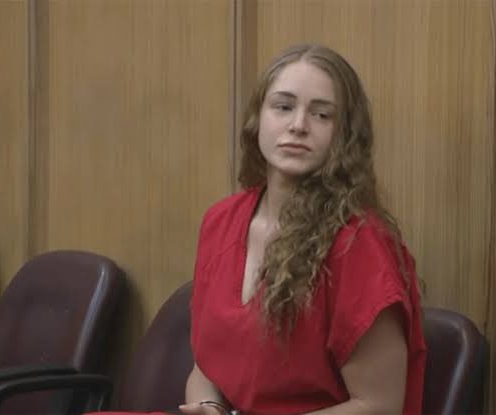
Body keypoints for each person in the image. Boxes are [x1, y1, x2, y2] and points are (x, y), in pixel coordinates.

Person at [179, 44, 426, 415]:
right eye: (283, 107)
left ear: (345, 135)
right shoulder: (220, 220)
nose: (298, 125)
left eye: (321, 114)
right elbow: (205, 366)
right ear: (257, 119)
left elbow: (379, 405)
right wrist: (209, 406)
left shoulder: (358, 243)